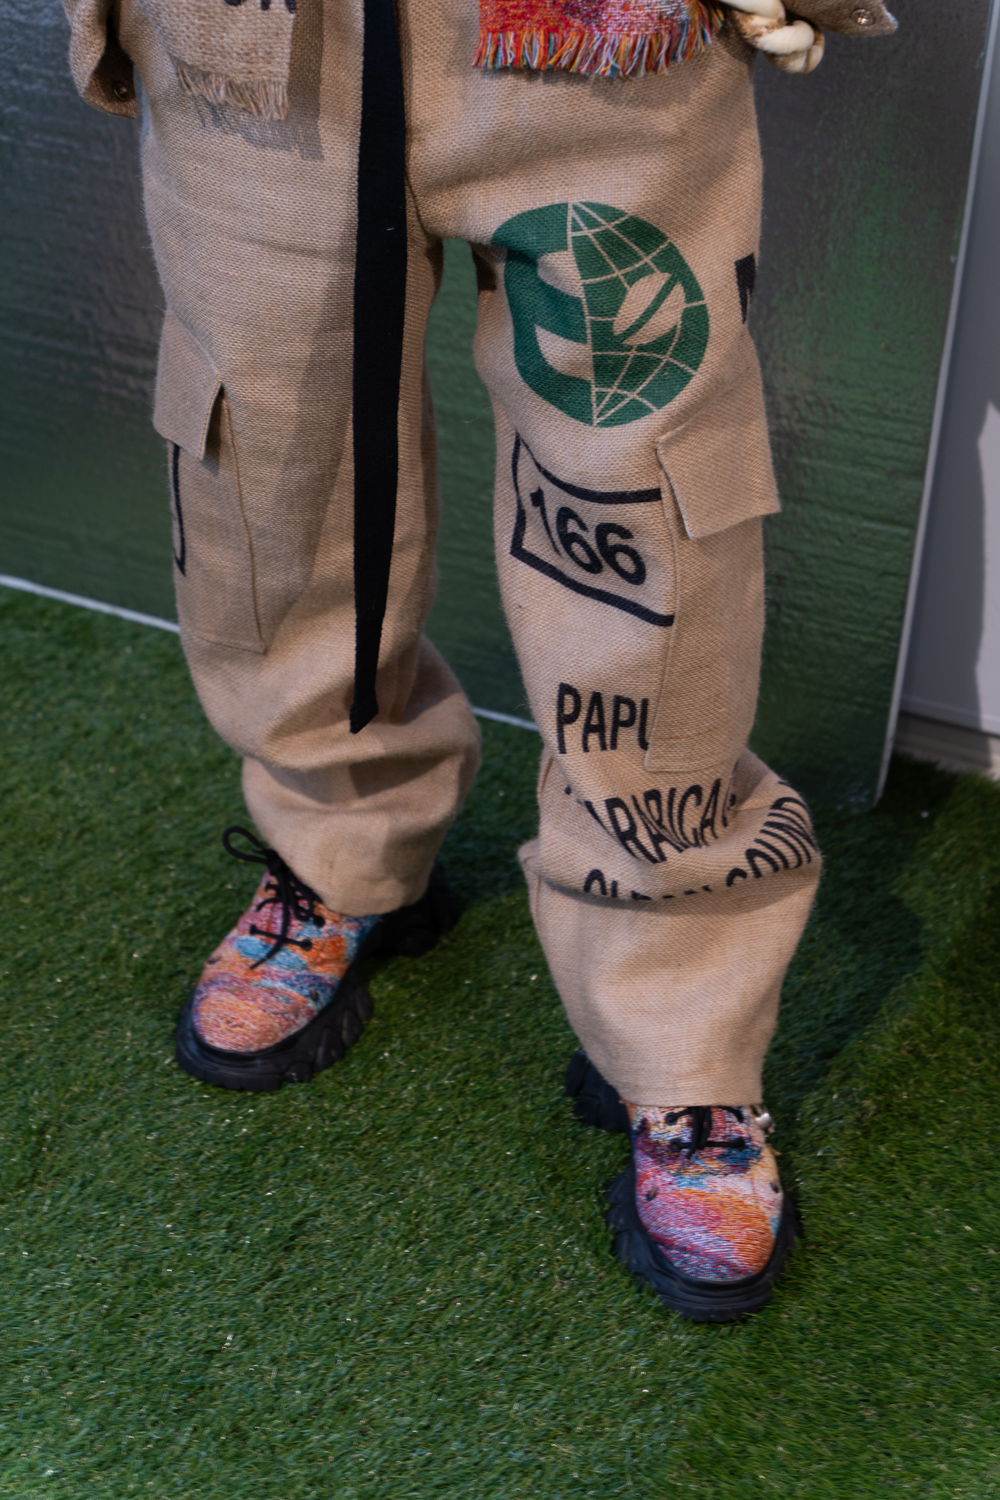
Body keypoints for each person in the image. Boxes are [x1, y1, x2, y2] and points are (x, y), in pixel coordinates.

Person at [62, 0, 895, 1321]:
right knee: (262, 480)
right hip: (253, 49)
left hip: (603, 50)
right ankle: (339, 840)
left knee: (648, 520)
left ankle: (681, 1017)